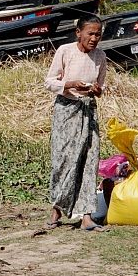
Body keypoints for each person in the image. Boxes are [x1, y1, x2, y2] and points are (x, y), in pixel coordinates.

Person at [44, 16, 108, 232]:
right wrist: (69, 84)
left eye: (98, 34)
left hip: (88, 111)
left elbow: (101, 86)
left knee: (89, 161)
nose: (94, 38)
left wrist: (96, 90)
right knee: (63, 160)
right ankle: (56, 209)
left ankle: (86, 216)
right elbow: (50, 81)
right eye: (90, 33)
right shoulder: (65, 51)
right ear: (78, 33)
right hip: (66, 110)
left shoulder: (100, 56)